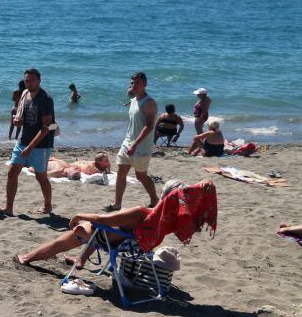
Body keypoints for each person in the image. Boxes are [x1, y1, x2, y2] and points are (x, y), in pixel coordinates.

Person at [14, 179, 187, 267]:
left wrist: (78, 215)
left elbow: (103, 220)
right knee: (103, 229)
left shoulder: (141, 212)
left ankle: (27, 258)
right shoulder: (170, 220)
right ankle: (80, 260)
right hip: (135, 246)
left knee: (80, 231)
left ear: (163, 193)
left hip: (115, 241)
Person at [3, 69, 54, 216]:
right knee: (12, 172)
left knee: (41, 176)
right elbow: (26, 118)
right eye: (27, 80)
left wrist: (30, 148)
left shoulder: (46, 99)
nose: (29, 83)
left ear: (39, 81)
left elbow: (46, 127)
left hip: (40, 144)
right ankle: (9, 208)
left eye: (32, 80)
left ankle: (47, 206)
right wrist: (19, 122)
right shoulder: (25, 94)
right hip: (23, 141)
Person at [108, 72, 158, 212]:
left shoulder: (149, 103)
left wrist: (135, 144)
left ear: (145, 84)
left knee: (141, 176)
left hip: (141, 146)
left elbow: (149, 126)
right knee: (121, 171)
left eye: (137, 83)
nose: (134, 85)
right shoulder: (134, 100)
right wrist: (131, 93)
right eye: (132, 83)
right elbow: (131, 96)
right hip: (127, 142)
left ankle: (154, 199)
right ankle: (117, 204)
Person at [46, 153, 110, 180]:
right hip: (76, 165)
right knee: (64, 166)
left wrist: (107, 165)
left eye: (107, 160)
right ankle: (54, 159)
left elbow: (107, 170)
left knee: (65, 165)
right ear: (99, 162)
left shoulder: (98, 164)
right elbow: (106, 171)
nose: (108, 162)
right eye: (106, 160)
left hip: (80, 163)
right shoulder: (93, 168)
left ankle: (54, 159)